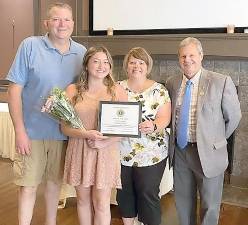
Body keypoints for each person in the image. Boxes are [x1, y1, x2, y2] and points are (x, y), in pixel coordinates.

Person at [7, 3, 86, 225]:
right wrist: (20, 131)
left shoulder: (81, 53)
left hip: (64, 133)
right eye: (56, 19)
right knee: (28, 186)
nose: (62, 24)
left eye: (67, 20)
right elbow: (14, 90)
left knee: (54, 186)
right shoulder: (30, 46)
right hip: (32, 132)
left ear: (73, 23)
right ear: (46, 23)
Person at [166, 37, 242, 225]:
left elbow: (234, 117)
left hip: (209, 154)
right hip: (181, 152)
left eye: (192, 55)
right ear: (178, 59)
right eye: (183, 56)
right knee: (183, 202)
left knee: (210, 205)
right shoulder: (171, 83)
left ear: (201, 56)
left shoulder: (221, 82)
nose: (187, 59)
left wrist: (215, 140)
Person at [61, 46, 127, 225]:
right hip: (79, 150)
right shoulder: (73, 90)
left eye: (106, 62)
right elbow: (64, 128)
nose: (101, 66)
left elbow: (124, 129)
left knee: (102, 203)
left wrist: (103, 144)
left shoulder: (117, 91)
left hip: (106, 152)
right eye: (96, 61)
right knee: (82, 201)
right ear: (87, 64)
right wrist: (85, 133)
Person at [116, 47, 171, 225]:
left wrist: (154, 125)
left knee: (148, 193)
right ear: (126, 66)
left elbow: (165, 118)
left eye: (141, 62)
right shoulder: (116, 87)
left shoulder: (159, 90)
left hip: (151, 153)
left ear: (147, 66)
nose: (136, 66)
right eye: (132, 62)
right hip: (120, 151)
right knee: (124, 192)